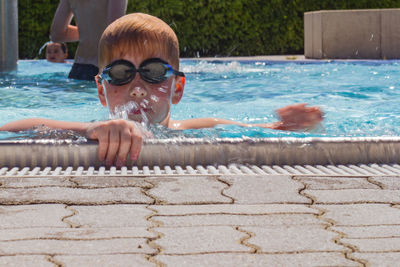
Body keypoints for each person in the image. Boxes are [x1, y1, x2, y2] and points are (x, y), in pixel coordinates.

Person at [0, 13, 323, 167]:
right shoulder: (93, 129)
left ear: (177, 88)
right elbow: (12, 128)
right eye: (122, 73)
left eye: (154, 72)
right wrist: (92, 129)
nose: (138, 88)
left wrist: (289, 126)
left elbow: (257, 131)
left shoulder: (196, 129)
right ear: (101, 90)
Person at [50, 0, 127, 80]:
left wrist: (87, 33)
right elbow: (114, 33)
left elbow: (56, 34)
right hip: (104, 69)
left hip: (78, 69)